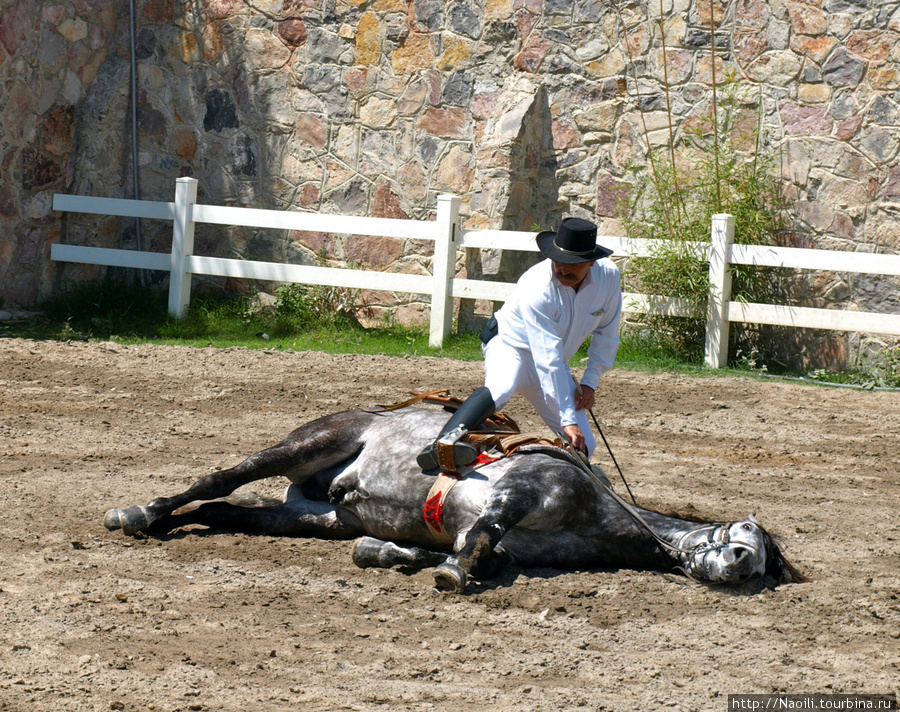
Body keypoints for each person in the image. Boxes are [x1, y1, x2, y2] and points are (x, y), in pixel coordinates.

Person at [417, 216, 622, 474]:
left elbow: (607, 332)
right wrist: (568, 420)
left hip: (553, 362)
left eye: (571, 264)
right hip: (510, 346)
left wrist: (591, 381)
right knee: (502, 388)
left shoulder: (609, 278)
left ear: (591, 261)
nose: (561, 269)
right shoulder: (536, 286)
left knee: (585, 447)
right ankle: (441, 444)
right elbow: (548, 359)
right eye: (558, 261)